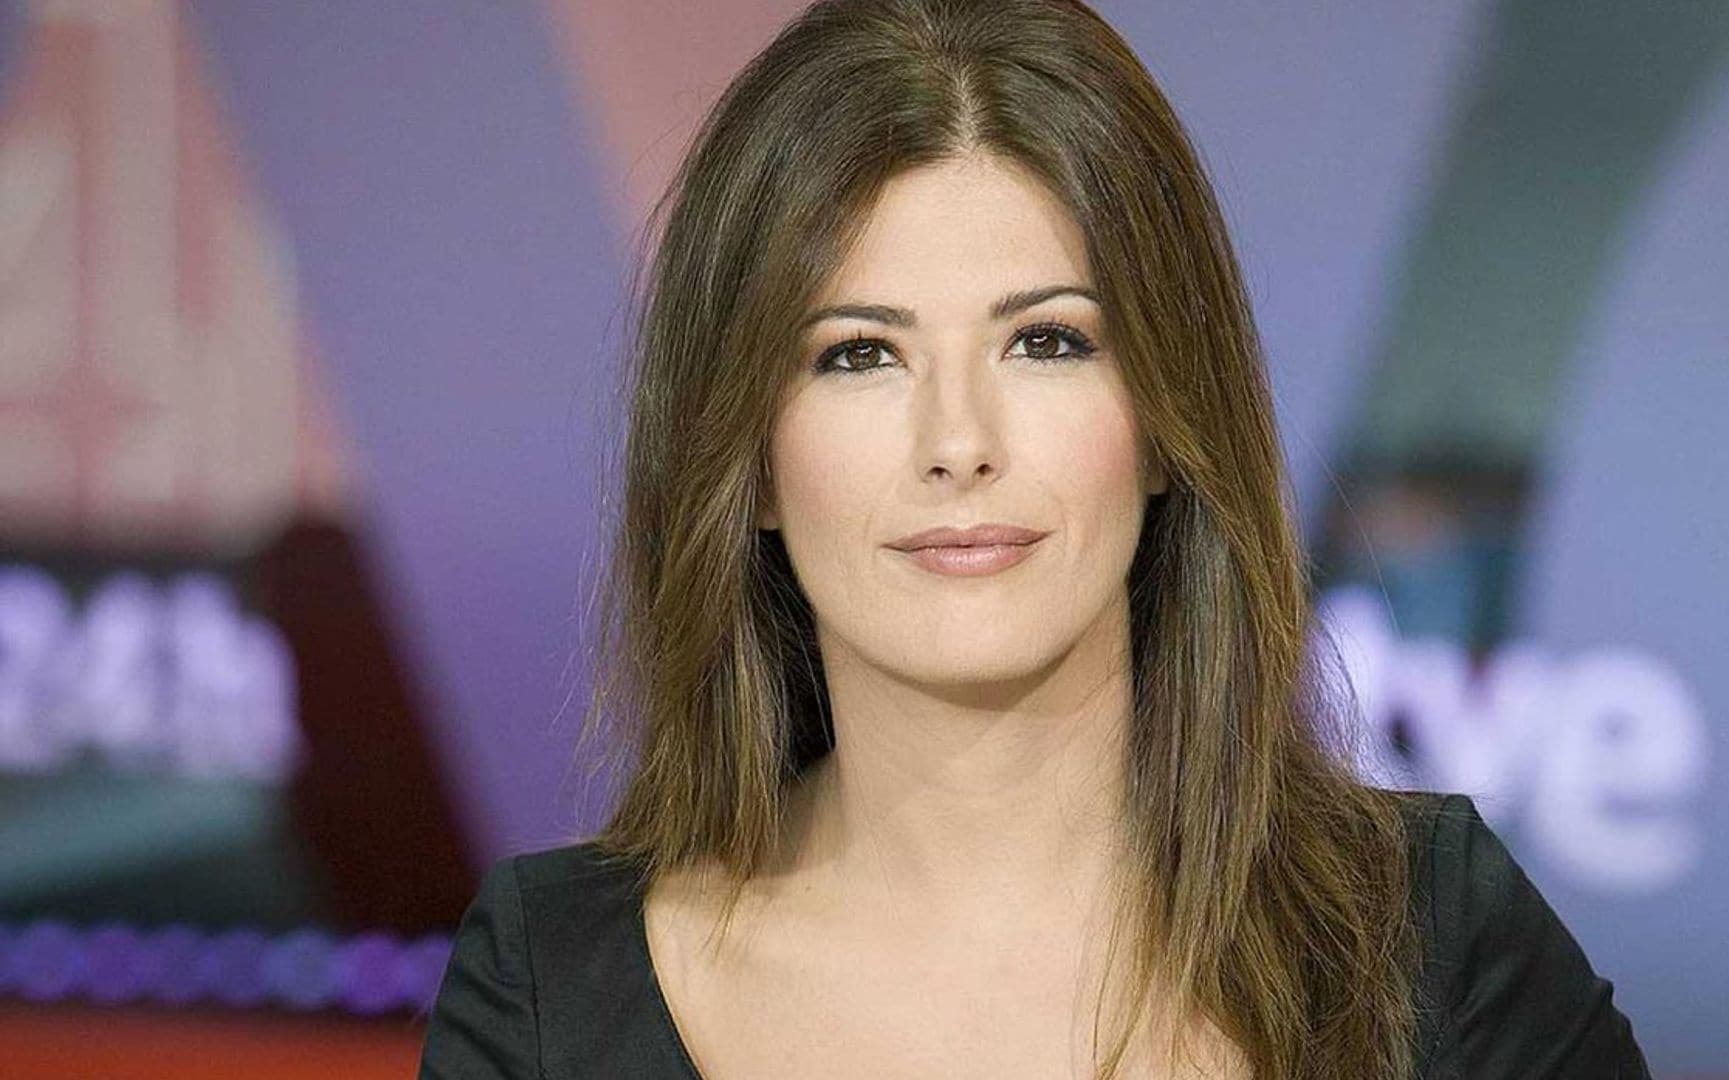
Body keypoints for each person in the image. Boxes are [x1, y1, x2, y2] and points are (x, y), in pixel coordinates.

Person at [418, 0, 1651, 1076]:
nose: (959, 441)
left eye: (1046, 341)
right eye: (859, 354)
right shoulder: (551, 989)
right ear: (751, 459)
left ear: (1167, 420)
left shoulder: (1432, 945)